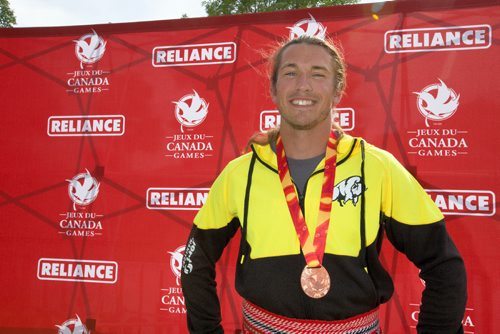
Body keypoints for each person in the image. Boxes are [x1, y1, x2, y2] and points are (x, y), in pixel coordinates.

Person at [181, 36, 467, 334]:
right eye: (290, 73)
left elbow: (444, 265)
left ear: (337, 90)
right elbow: (194, 263)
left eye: (318, 74)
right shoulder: (240, 173)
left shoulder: (377, 167)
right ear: (274, 89)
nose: (303, 85)